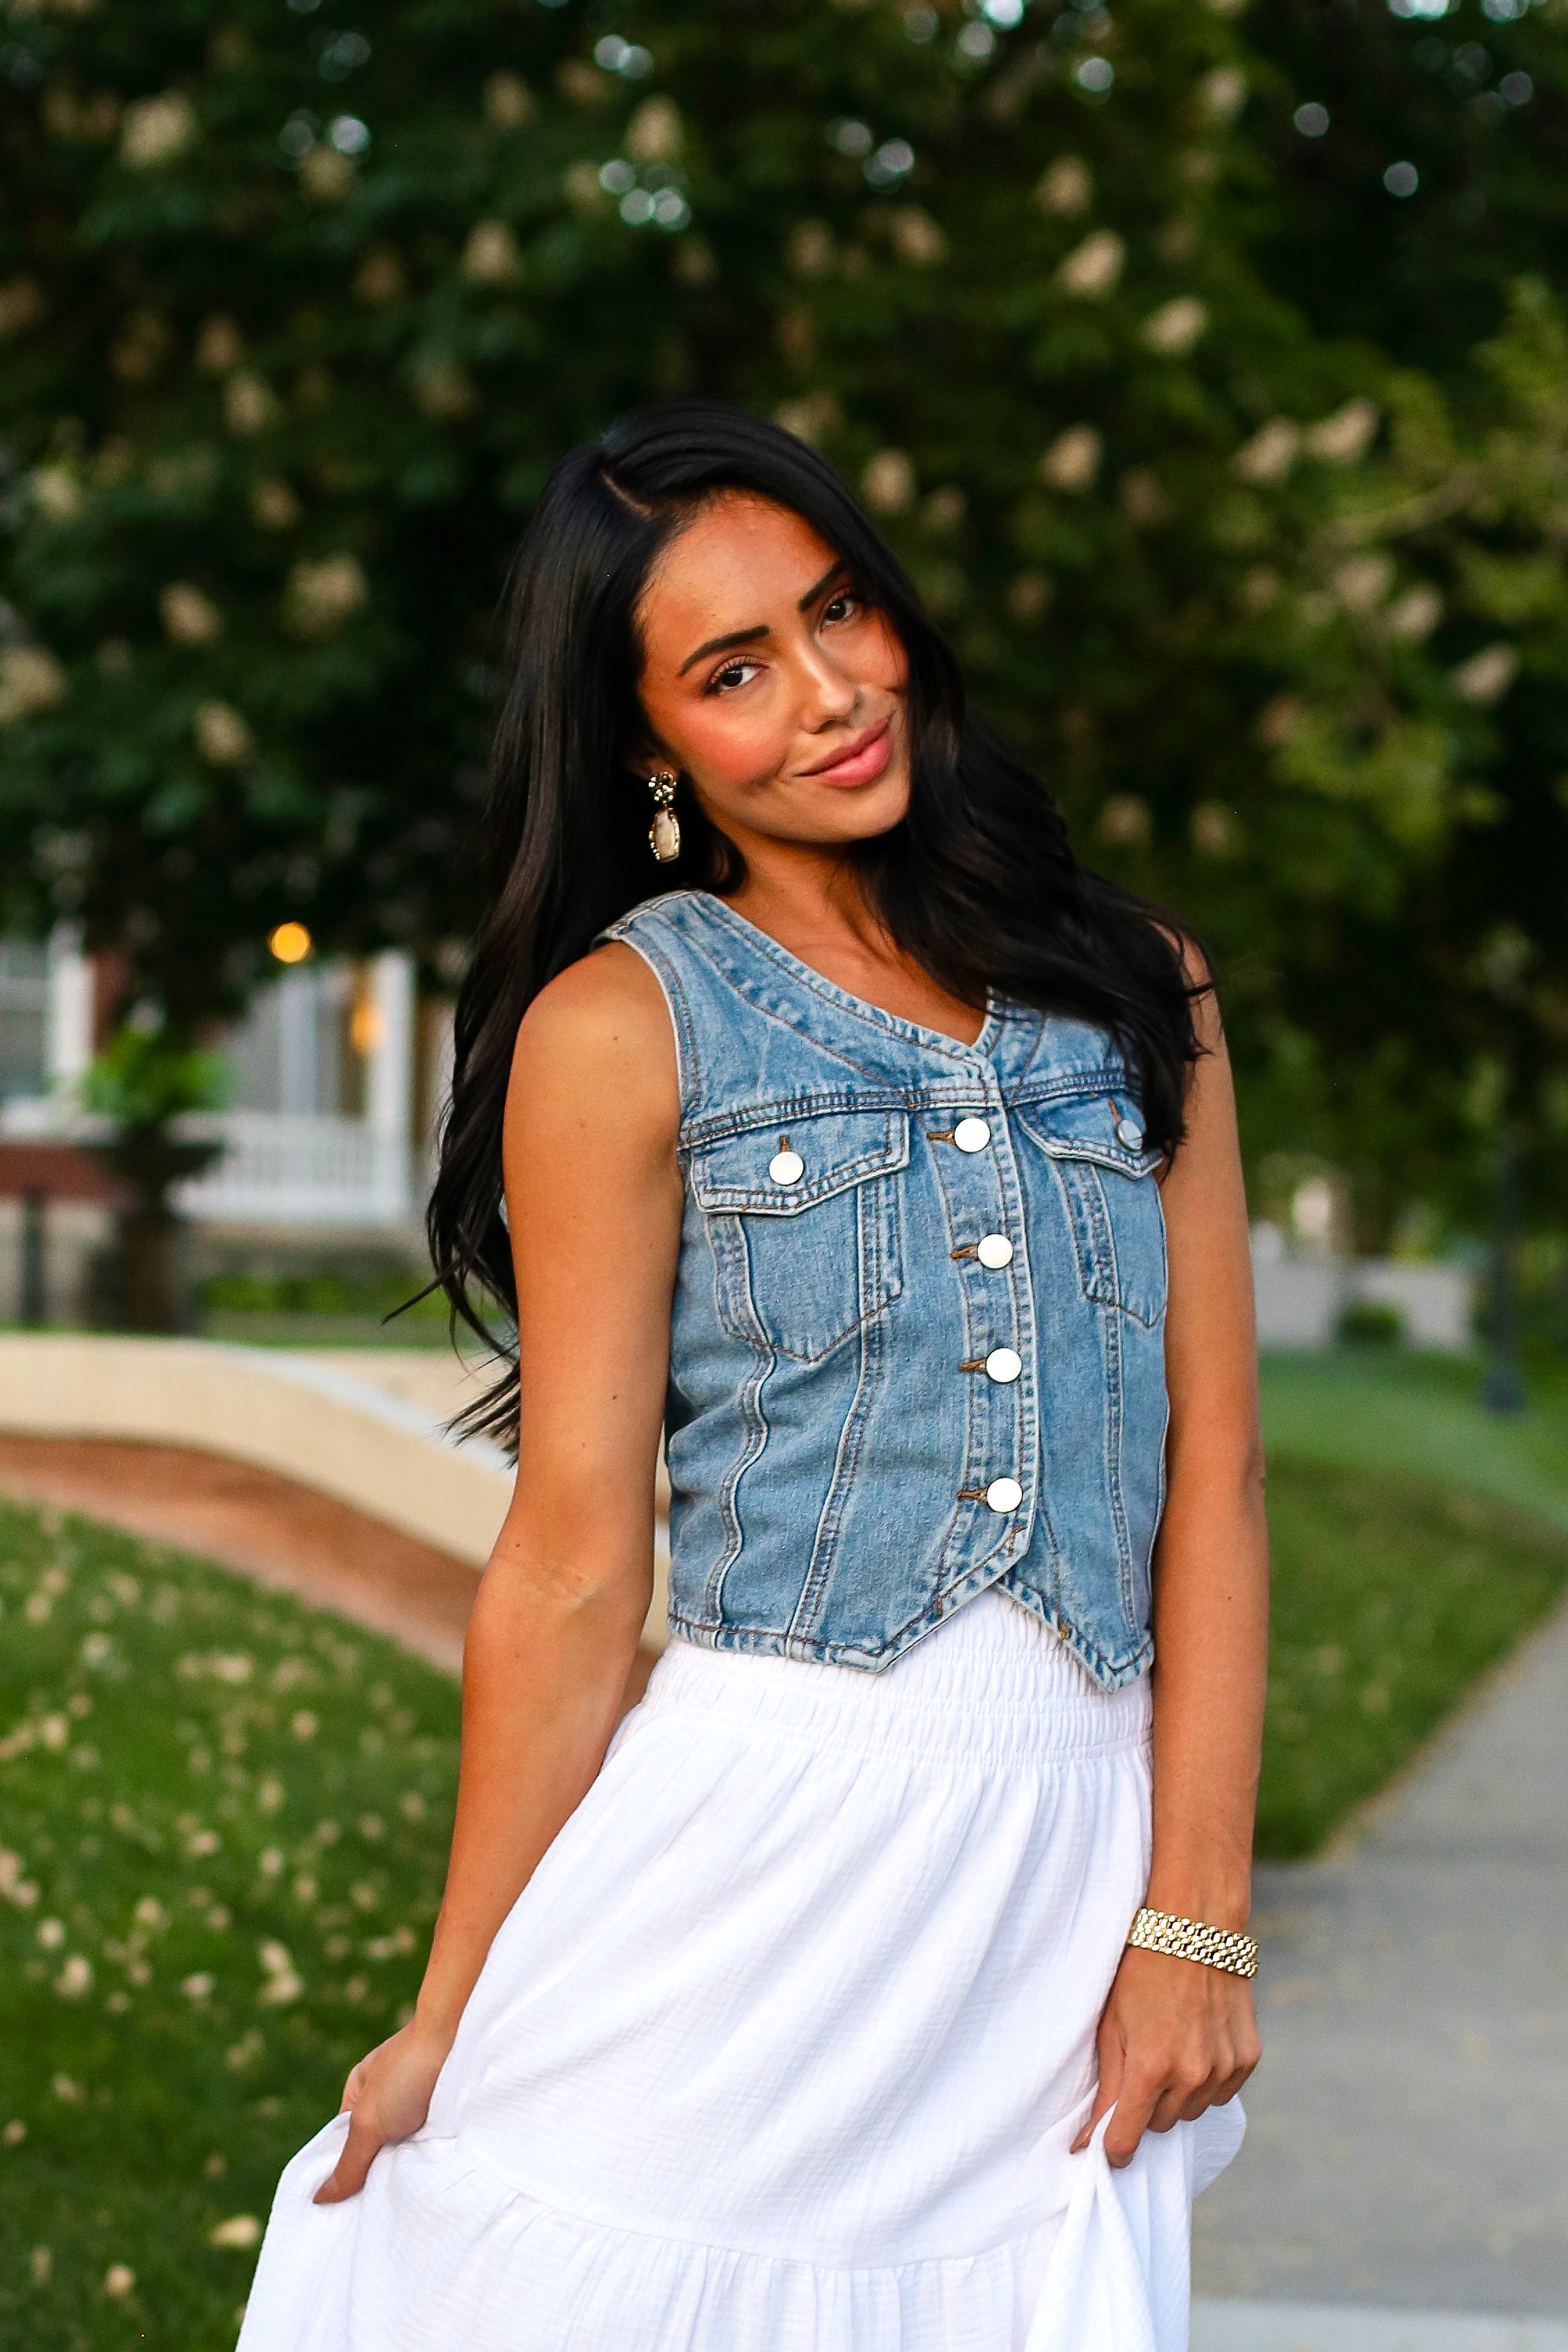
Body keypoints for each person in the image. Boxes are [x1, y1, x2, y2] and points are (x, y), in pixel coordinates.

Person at [238, 401, 1266, 2352]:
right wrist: (451, 2006)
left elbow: (1212, 1474)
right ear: (648, 746)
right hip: (750, 1847)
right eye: (733, 670)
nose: (825, 692)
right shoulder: (620, 1026)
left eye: (838, 611)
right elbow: (565, 1567)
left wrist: (1192, 1913)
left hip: (1062, 1871)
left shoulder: (1143, 985)